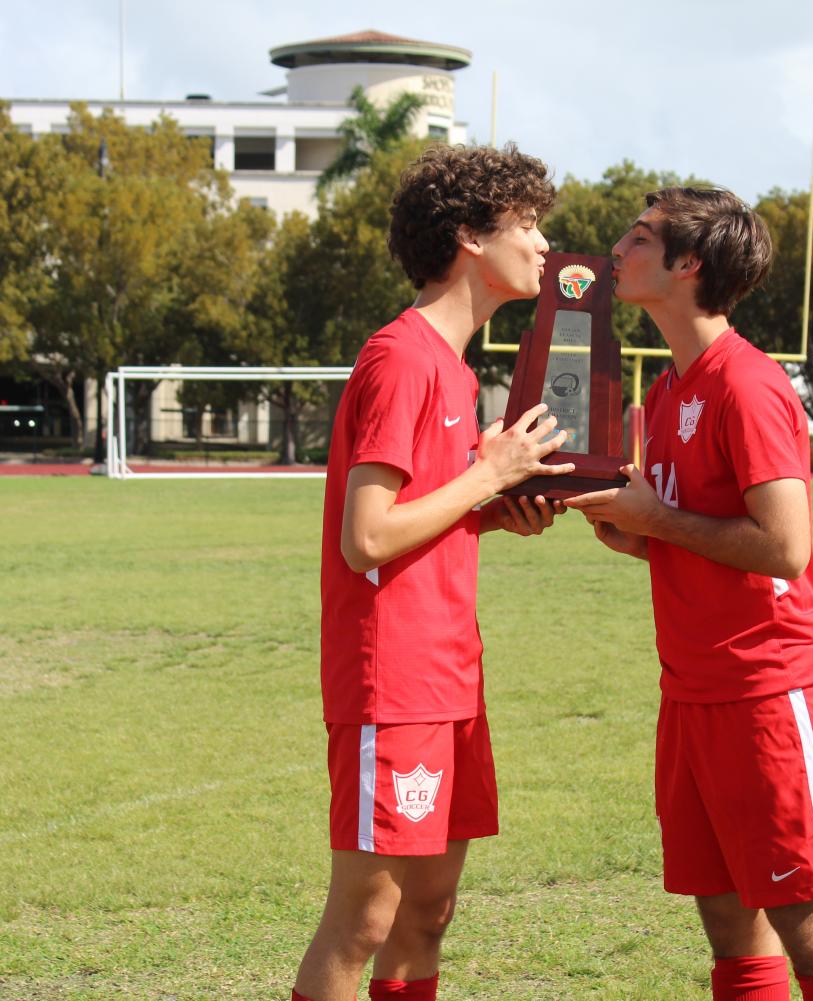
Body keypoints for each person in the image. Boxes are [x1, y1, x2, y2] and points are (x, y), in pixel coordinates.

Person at [565, 187, 813, 1001]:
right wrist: (637, 533)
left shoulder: (748, 382)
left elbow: (783, 546)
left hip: (769, 693)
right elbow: (686, 530)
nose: (616, 251)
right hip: (691, 694)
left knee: (809, 927)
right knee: (730, 925)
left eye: (637, 239)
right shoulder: (665, 392)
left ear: (687, 264)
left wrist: (658, 518)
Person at [292, 143, 573, 1001]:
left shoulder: (453, 366)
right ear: (467, 238)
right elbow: (367, 537)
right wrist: (486, 476)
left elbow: (431, 512)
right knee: (365, 916)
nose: (542, 246)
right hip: (394, 678)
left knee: (429, 909)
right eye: (526, 224)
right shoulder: (401, 357)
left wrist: (495, 505)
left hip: (452, 674)